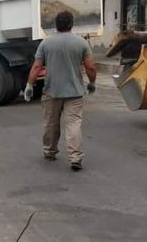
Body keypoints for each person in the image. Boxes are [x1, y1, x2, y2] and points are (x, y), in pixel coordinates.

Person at [24, 11, 97, 171]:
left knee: (51, 123)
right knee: (73, 124)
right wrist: (92, 82)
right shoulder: (81, 43)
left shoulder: (46, 43)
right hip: (75, 92)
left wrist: (29, 85)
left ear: (56, 25)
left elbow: (37, 67)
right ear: (72, 25)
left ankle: (50, 151)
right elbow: (91, 67)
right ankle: (75, 158)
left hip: (52, 91)